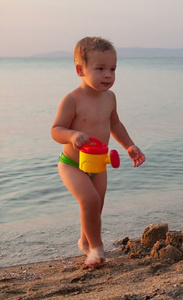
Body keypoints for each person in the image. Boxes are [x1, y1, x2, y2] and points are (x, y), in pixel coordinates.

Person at [51, 37, 146, 266]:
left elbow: (115, 125)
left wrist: (129, 146)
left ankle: (84, 241)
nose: (108, 75)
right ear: (80, 70)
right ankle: (95, 248)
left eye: (112, 69)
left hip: (98, 163)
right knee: (90, 200)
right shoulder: (72, 99)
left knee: (97, 204)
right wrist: (72, 135)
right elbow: (56, 130)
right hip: (72, 164)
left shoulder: (110, 98)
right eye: (100, 68)